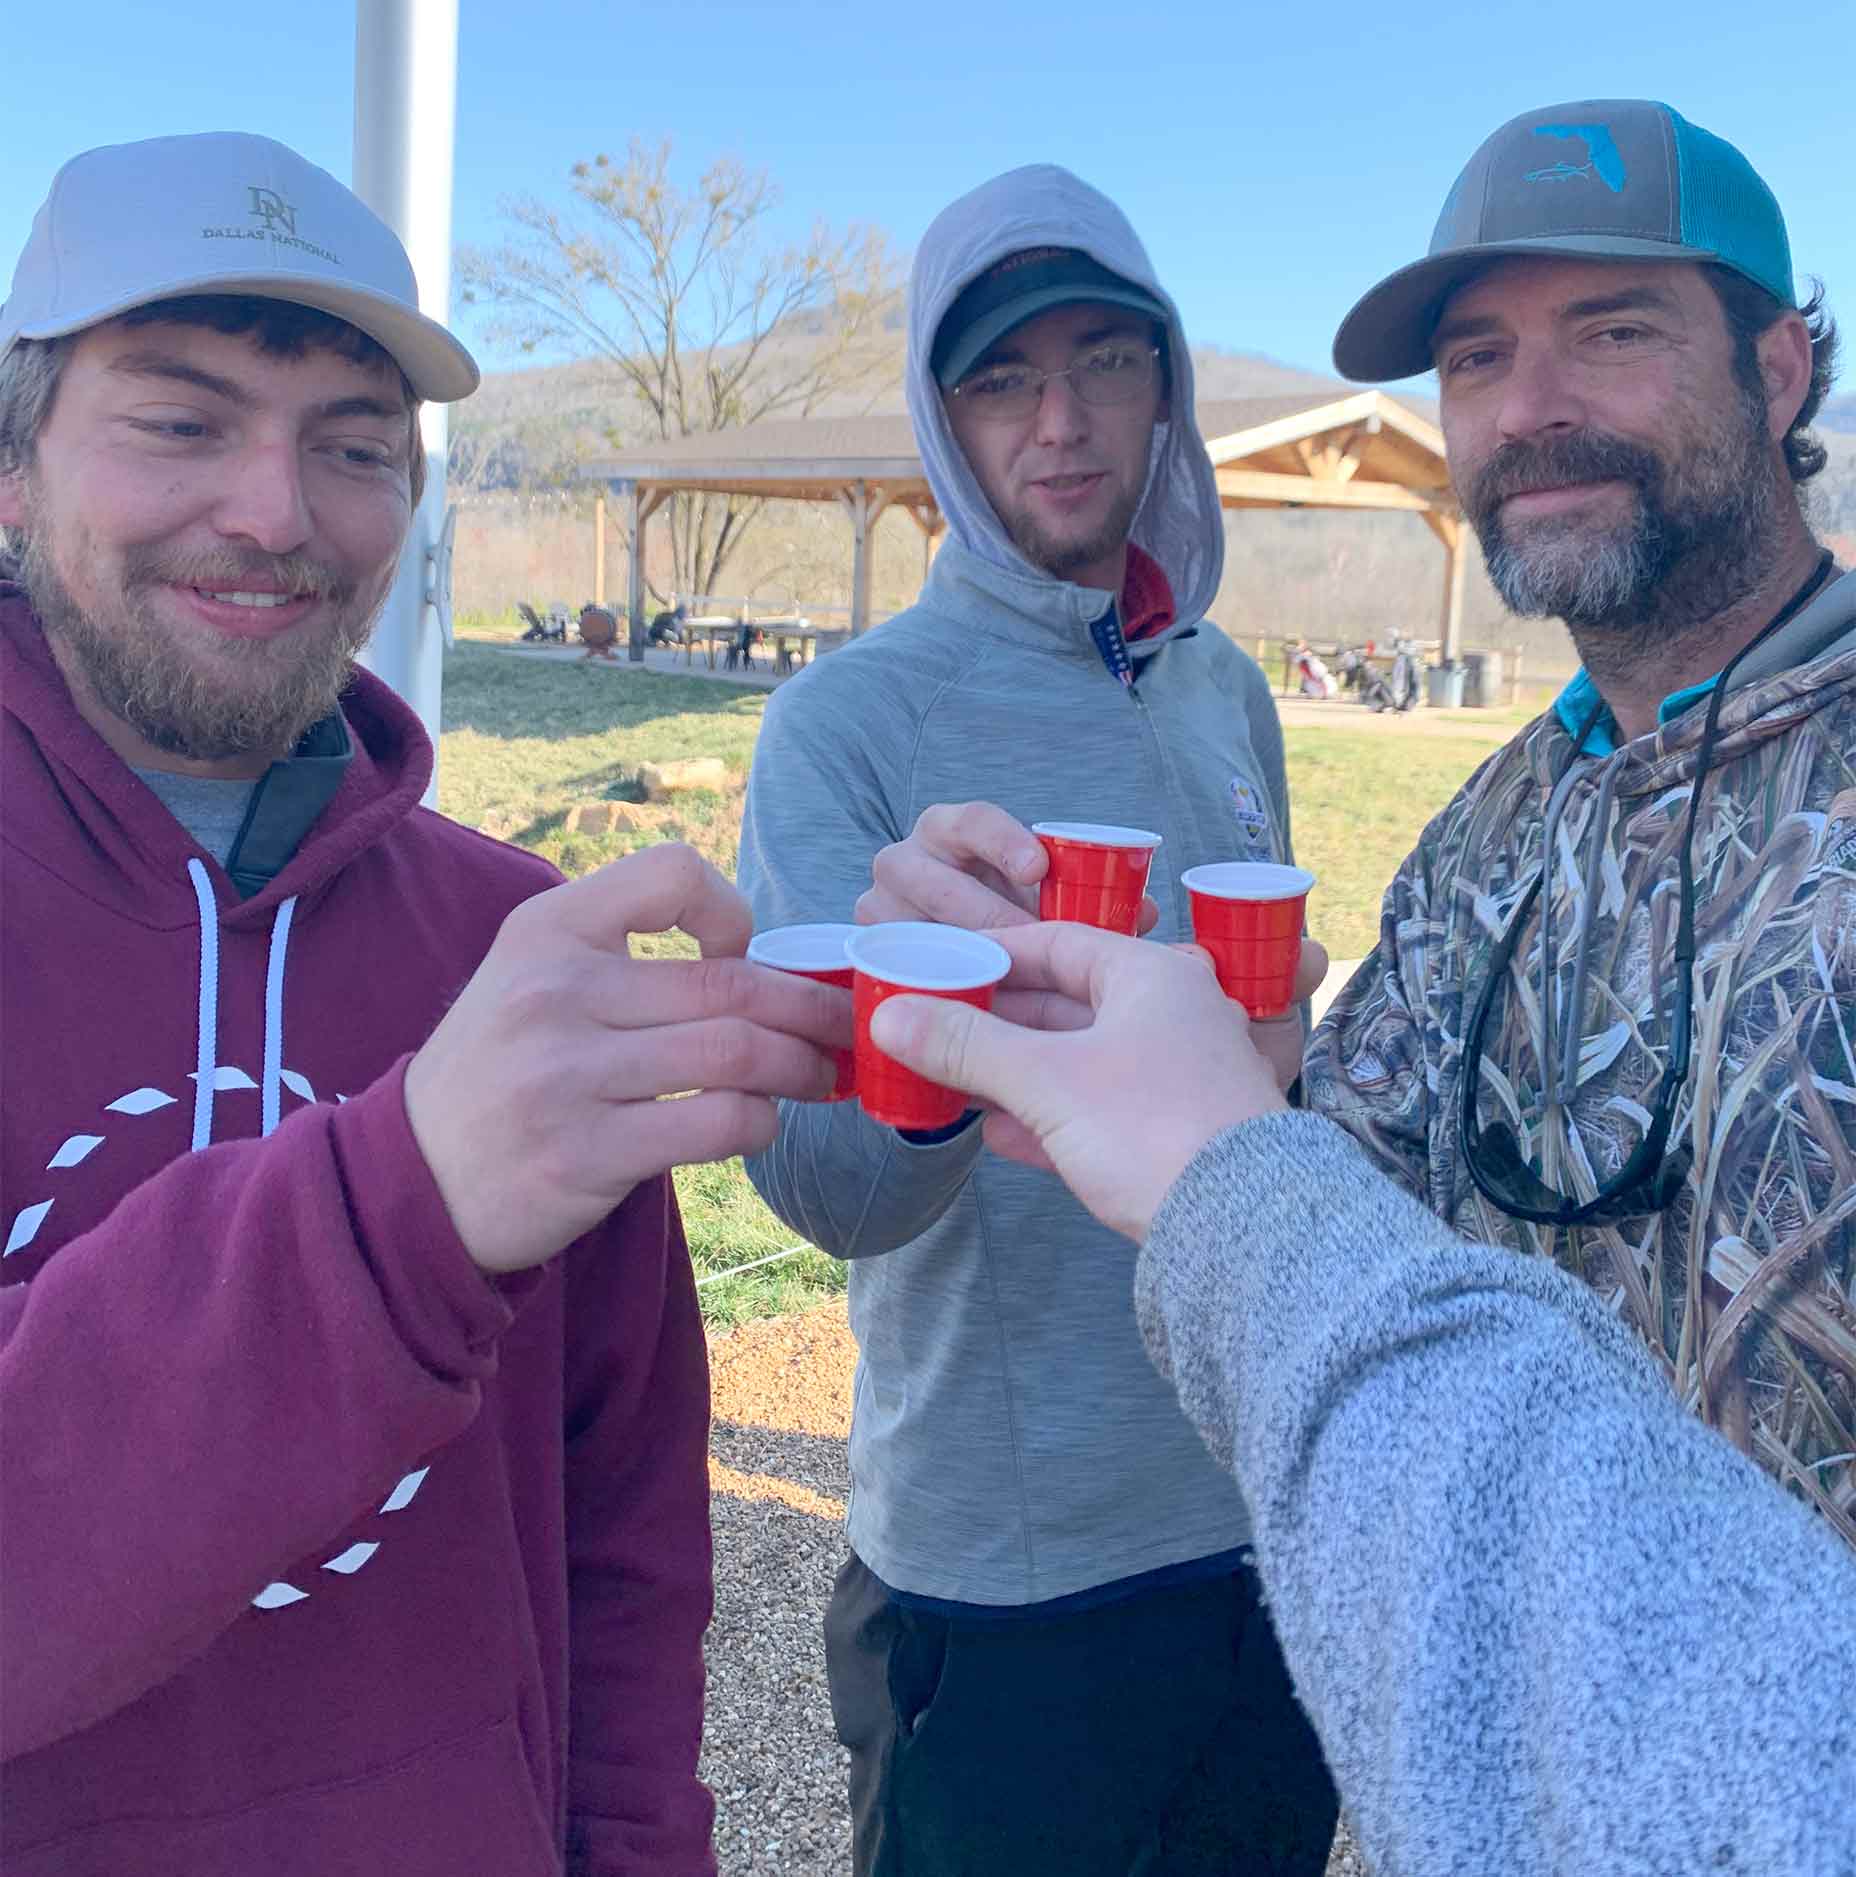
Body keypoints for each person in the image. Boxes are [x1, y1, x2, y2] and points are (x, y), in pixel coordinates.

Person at [0, 133, 848, 1875]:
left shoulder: (512, 943)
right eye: (180, 419)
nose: (274, 511)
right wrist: (403, 1197)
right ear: (13, 469)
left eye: (355, 446)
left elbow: (622, 1540)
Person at [736, 165, 1337, 1876]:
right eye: (1001, 377)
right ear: (941, 418)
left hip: (1257, 1533)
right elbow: (837, 1196)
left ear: (1168, 389)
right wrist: (947, 1040)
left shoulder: (1223, 690)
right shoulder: (846, 729)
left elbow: (1251, 1085)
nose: (1060, 424)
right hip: (1004, 1578)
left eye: (1104, 363)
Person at [860, 921, 1856, 1877]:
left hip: (1279, 1558)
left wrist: (1237, 1170)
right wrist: (1265, 1115)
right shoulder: (1510, 799)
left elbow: (1737, 1755)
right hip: (1097, 1566)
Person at [1310, 101, 1855, 1536]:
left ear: (1779, 371)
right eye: (1475, 357)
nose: (1529, 407)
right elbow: (1348, 1192)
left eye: (1614, 331)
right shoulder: (1484, 836)